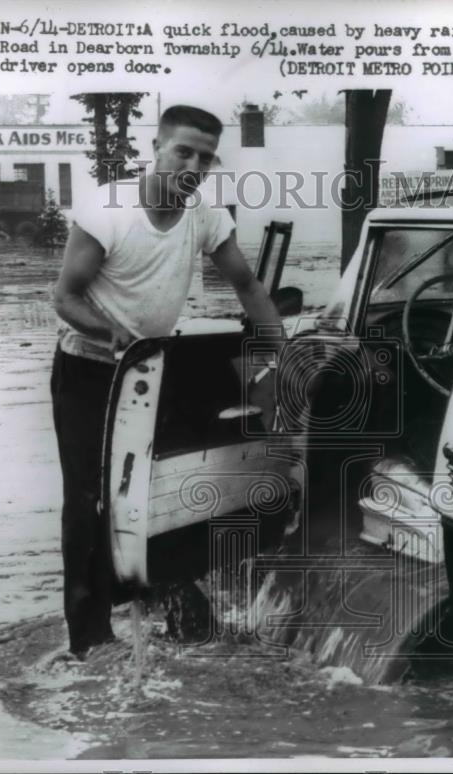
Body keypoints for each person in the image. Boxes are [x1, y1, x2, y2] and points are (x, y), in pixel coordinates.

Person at [50, 105, 284, 657]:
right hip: (89, 370)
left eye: (206, 156)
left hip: (154, 369)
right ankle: (90, 640)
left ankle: (173, 611)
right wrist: (114, 337)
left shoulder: (205, 215)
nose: (193, 164)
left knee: (169, 489)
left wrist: (281, 351)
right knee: (89, 503)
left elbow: (247, 283)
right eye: (183, 151)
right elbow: (65, 297)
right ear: (154, 148)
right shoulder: (110, 208)